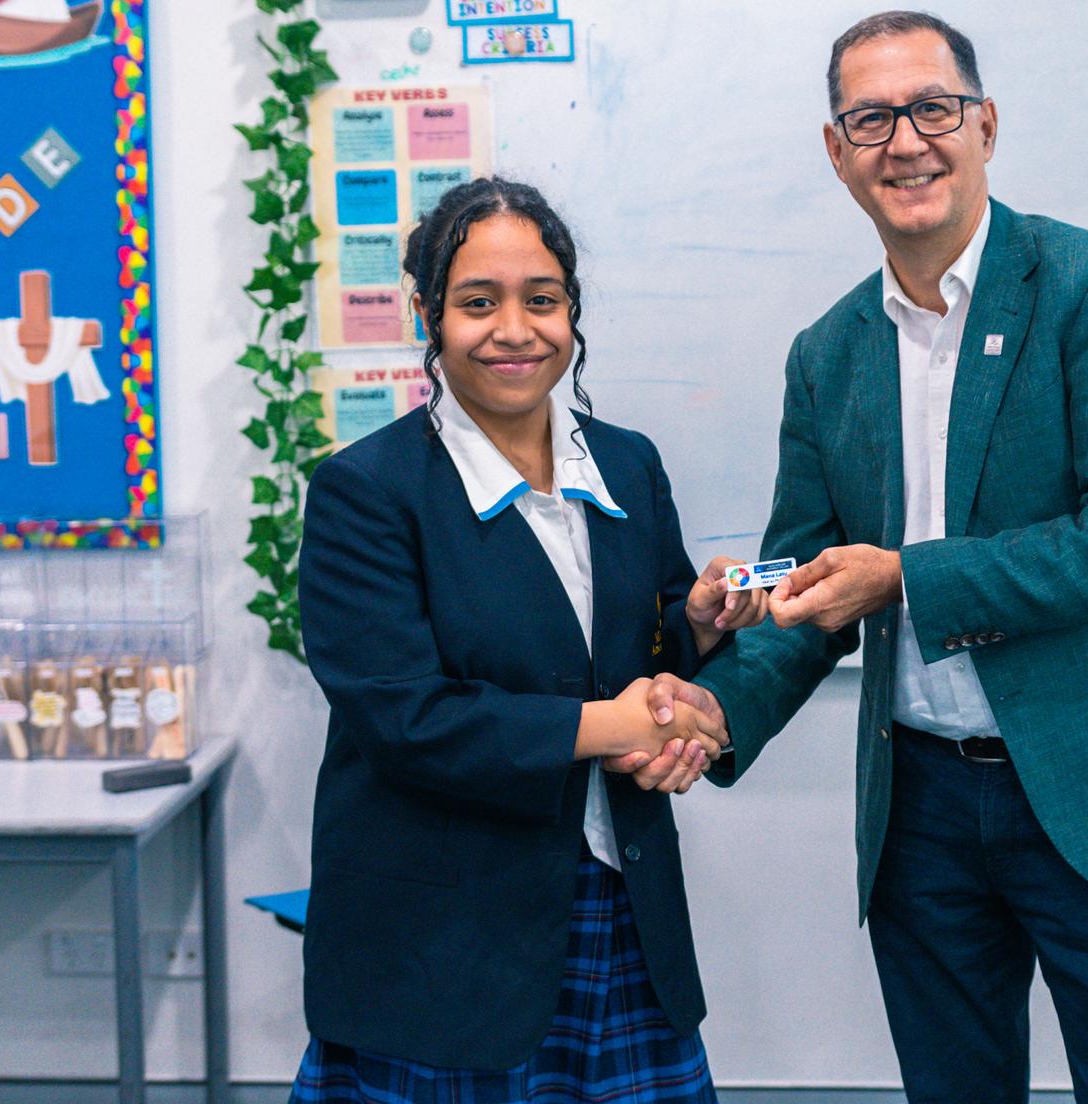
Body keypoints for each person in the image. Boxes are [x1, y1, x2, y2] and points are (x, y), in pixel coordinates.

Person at [645, 11, 1088, 1103]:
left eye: (933, 108)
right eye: (870, 119)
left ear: (986, 125)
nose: (906, 143)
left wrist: (906, 577)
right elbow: (809, 585)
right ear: (837, 151)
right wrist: (715, 708)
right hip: (920, 806)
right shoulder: (827, 353)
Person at [289, 177, 766, 1102]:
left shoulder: (626, 461)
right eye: (479, 303)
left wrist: (698, 630)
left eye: (542, 300)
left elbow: (647, 650)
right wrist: (619, 725)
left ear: (571, 311)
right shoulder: (367, 491)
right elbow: (406, 718)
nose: (515, 330)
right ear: (428, 316)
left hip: (620, 906)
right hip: (444, 946)